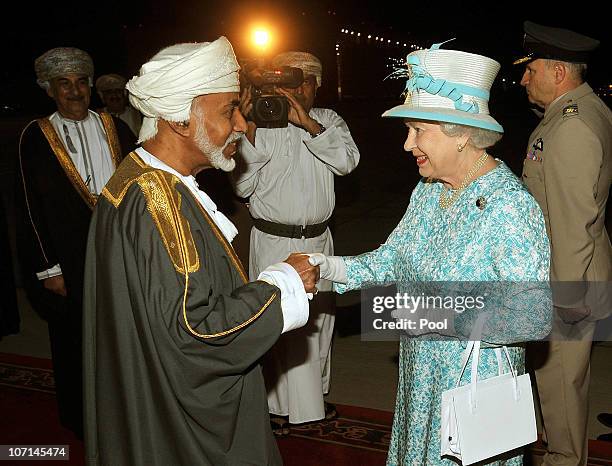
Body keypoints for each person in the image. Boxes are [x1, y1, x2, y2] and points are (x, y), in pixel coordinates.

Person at [307, 43, 552, 465]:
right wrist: (324, 265)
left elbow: (533, 315)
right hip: (421, 379)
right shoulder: (428, 191)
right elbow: (393, 257)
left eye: (418, 130)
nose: (407, 145)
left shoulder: (510, 207)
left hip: (471, 389)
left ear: (459, 135)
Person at [83, 36, 318, 466]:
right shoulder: (160, 204)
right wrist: (282, 283)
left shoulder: (137, 178)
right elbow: (197, 334)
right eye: (229, 110)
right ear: (179, 119)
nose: (243, 126)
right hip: (183, 430)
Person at [231, 50, 360, 434]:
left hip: (320, 240)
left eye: (304, 81)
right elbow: (240, 186)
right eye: (290, 82)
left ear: (316, 85)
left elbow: (347, 162)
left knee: (319, 325)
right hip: (272, 241)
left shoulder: (329, 121)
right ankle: (276, 406)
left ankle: (313, 399)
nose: (296, 90)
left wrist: (307, 125)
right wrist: (250, 128)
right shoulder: (259, 124)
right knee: (278, 323)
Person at [15, 46, 135, 438]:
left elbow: (144, 188)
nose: (74, 91)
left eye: (81, 82)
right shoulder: (36, 136)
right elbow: (29, 208)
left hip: (121, 251)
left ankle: (126, 411)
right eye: (63, 84)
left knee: (124, 333)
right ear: (49, 90)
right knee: (75, 341)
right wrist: (49, 268)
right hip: (69, 259)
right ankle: (83, 419)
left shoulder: (116, 128)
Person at [516, 21, 612, 466]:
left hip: (569, 275)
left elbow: (574, 222)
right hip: (571, 268)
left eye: (530, 70)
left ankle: (564, 459)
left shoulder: (571, 127)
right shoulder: (580, 110)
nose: (523, 80)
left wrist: (568, 296)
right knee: (560, 383)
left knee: (560, 385)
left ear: (558, 72)